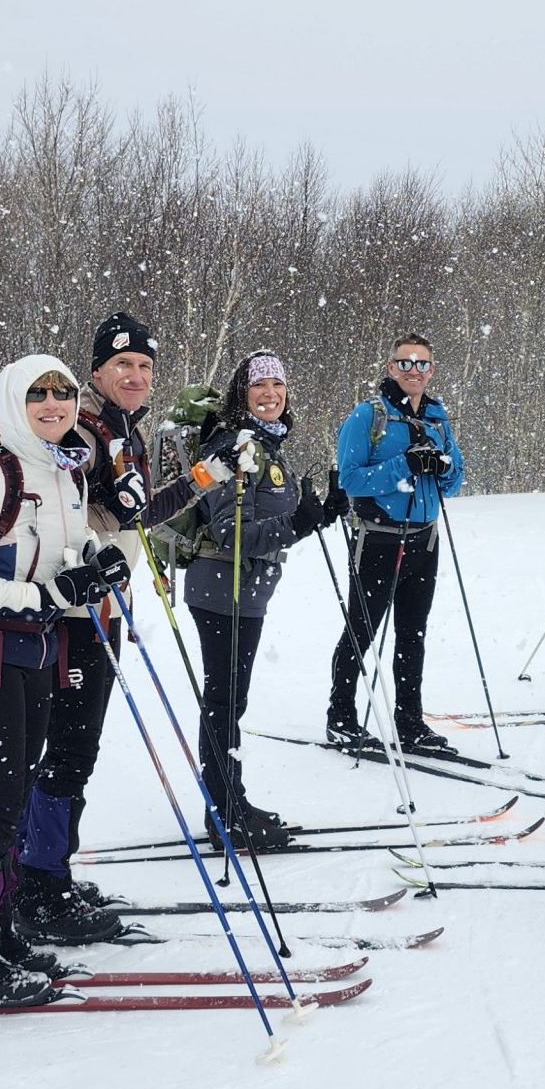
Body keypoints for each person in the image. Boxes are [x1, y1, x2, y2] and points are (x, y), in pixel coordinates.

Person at [0, 312, 197, 945]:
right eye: (121, 364)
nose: (134, 374)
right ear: (97, 372)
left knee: (75, 749)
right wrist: (102, 482)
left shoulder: (124, 430)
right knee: (71, 750)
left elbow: (135, 516)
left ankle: (44, 870)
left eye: (145, 366)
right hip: (72, 614)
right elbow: (73, 474)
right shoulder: (92, 429)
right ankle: (39, 884)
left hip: (98, 608)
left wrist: (203, 478)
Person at [0, 355, 127, 1007]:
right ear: (14, 401)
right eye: (38, 394)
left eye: (63, 393)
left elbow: (64, 557)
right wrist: (39, 596)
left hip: (36, 656)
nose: (53, 403)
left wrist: (95, 570)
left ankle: (0, 932)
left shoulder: (64, 471)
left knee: (15, 800)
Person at [183, 351, 347, 851]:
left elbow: (268, 519)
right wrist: (301, 522)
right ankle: (224, 812)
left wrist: (322, 510)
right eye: (260, 385)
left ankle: (230, 801)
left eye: (278, 383)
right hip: (221, 591)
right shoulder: (233, 447)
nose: (271, 393)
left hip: (245, 592)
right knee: (224, 703)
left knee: (229, 701)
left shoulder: (267, 445)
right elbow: (231, 533)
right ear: (242, 393)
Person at [326, 332, 464, 757]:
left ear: (432, 370)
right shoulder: (369, 416)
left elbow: (456, 481)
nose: (414, 371)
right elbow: (349, 479)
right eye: (405, 363)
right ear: (391, 368)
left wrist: (439, 467)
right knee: (363, 629)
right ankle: (341, 717)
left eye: (422, 364)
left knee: (412, 633)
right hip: (378, 539)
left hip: (425, 538)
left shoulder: (438, 418)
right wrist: (403, 464)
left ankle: (410, 720)